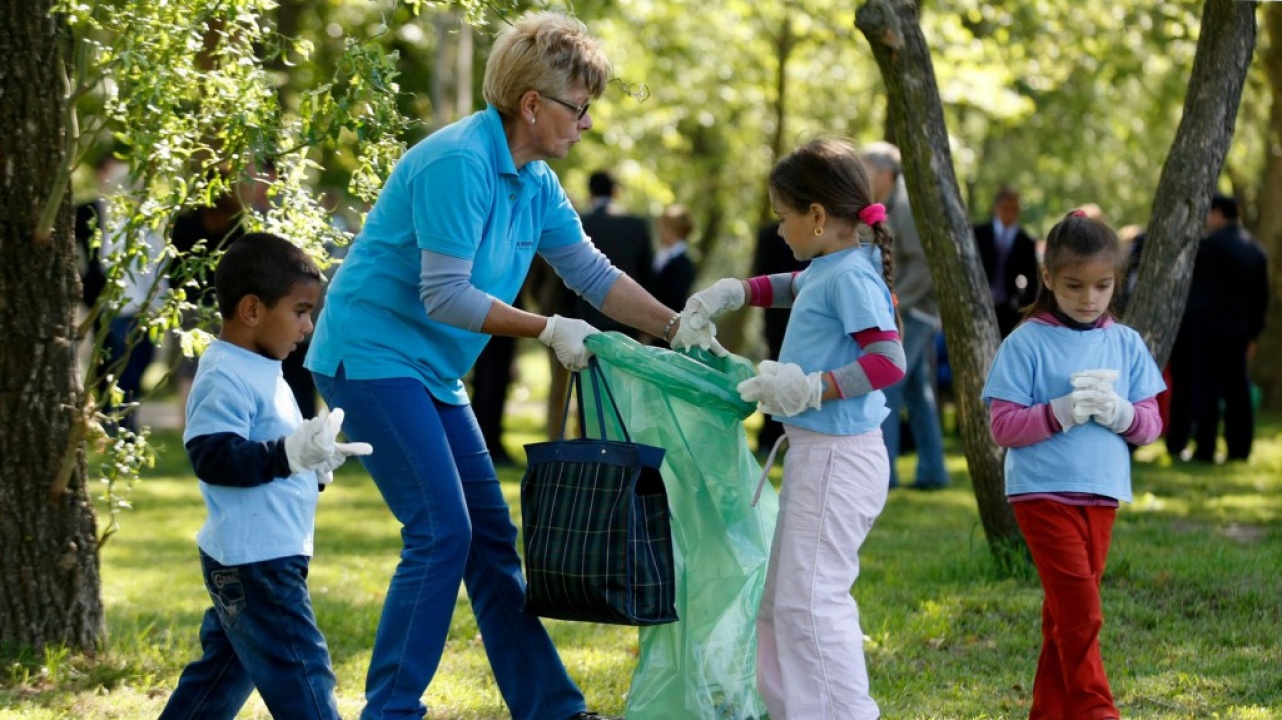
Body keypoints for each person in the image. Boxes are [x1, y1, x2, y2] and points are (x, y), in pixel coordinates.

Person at [304, 11, 680, 720]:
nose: (587, 124)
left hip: (433, 370)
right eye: (579, 107)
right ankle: (390, 712)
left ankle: (552, 711)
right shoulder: (460, 163)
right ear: (532, 104)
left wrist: (679, 329)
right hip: (370, 355)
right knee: (442, 530)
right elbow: (445, 294)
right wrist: (549, 328)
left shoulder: (535, 180)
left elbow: (591, 274)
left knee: (489, 539)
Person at [673, 138, 906, 719]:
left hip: (839, 458)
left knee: (810, 604)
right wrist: (733, 293)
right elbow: (788, 286)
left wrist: (813, 387)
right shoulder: (830, 267)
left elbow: (888, 361)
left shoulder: (851, 278)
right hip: (817, 454)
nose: (778, 230)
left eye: (783, 217)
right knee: (778, 606)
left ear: (817, 216)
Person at [160, 233, 372, 720]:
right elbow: (214, 456)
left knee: (220, 676)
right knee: (304, 673)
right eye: (300, 311)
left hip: (260, 555)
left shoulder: (263, 367)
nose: (308, 325)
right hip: (257, 561)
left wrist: (314, 466)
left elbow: (272, 452)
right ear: (252, 310)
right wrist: (290, 454)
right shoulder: (224, 374)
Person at [981, 211, 1165, 719]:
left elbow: (1151, 425)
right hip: (1041, 493)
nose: (1089, 299)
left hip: (1102, 494)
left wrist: (1121, 413)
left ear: (1116, 281)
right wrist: (1059, 412)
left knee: (1064, 615)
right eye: (1074, 286)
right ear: (1048, 277)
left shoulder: (1125, 343)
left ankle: (1048, 712)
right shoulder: (1026, 342)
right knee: (1082, 612)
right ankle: (1096, 710)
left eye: (1103, 286)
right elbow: (1002, 426)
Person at [861, 142, 949, 490]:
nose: (862, 176)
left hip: (913, 314)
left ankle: (884, 475)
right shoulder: (885, 207)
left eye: (866, 170)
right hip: (907, 311)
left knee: (887, 387)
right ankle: (933, 472)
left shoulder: (907, 208)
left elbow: (924, 265)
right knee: (918, 394)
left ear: (886, 173)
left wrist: (893, 304)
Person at [1165, 193, 1270, 463]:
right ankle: (1239, 448)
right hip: (1239, 329)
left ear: (1219, 213)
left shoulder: (1208, 247)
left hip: (1205, 330)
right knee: (1238, 389)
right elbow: (1261, 298)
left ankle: (1205, 447)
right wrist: (1253, 334)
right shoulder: (1255, 249)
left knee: (1205, 388)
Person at [749, 220, 809, 454]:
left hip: (788, 317)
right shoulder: (770, 234)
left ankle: (781, 434)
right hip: (780, 318)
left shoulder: (813, 233)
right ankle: (772, 434)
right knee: (777, 372)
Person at [574, 169, 654, 336]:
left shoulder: (581, 224)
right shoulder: (637, 225)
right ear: (615, 191)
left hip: (588, 317)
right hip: (630, 316)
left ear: (590, 193)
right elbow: (647, 273)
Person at [974, 186, 1039, 337]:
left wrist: (1024, 307)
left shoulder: (1025, 242)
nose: (1009, 213)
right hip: (978, 303)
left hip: (1008, 311)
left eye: (1014, 210)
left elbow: (1032, 281)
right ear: (996, 208)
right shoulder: (978, 234)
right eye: (1005, 208)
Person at [645, 203, 697, 326]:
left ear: (673, 229)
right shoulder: (661, 255)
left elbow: (674, 298)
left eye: (663, 227)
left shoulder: (684, 264)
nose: (660, 231)